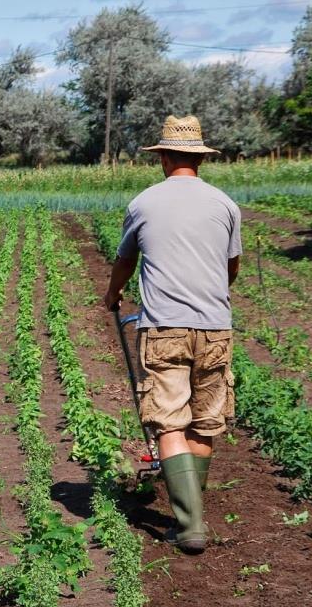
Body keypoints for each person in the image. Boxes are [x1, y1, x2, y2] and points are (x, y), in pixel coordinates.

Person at [102, 115, 242, 554]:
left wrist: (112, 294)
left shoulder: (144, 203)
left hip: (164, 327)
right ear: (200, 158)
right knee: (205, 421)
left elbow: (126, 260)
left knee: (168, 420)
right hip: (215, 326)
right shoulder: (225, 205)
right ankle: (192, 517)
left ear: (162, 156)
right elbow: (230, 266)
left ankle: (189, 524)